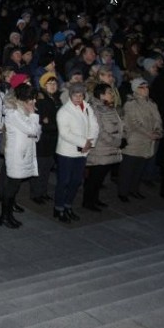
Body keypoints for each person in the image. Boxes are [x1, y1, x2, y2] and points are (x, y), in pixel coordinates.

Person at [54, 82, 99, 223]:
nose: (78, 97)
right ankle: (58, 208)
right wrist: (83, 142)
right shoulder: (63, 111)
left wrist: (90, 142)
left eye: (81, 95)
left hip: (82, 152)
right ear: (70, 95)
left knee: (76, 181)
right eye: (75, 95)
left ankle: (68, 206)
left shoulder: (87, 107)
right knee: (64, 181)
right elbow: (65, 133)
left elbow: (94, 125)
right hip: (67, 152)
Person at [0, 84, 40, 228]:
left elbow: (37, 133)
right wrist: (33, 115)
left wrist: (33, 121)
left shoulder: (24, 111)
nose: (34, 102)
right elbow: (32, 130)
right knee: (11, 186)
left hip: (25, 152)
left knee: (14, 187)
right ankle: (4, 216)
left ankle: (9, 214)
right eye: (31, 99)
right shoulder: (13, 113)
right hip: (16, 154)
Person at [83, 83, 125, 211]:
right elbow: (99, 131)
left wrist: (122, 137)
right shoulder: (95, 109)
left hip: (109, 148)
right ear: (101, 95)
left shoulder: (110, 107)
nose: (112, 95)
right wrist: (116, 142)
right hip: (100, 149)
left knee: (99, 178)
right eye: (109, 92)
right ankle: (88, 202)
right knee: (94, 178)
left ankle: (95, 199)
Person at [120, 78, 162, 200]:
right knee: (128, 169)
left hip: (148, 141)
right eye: (142, 87)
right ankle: (123, 192)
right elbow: (134, 122)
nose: (145, 89)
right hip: (134, 141)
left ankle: (134, 189)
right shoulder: (130, 104)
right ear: (135, 89)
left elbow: (158, 119)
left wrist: (157, 131)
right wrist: (148, 133)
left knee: (139, 168)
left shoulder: (152, 103)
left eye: (146, 87)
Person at [32, 74, 61, 204]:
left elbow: (50, 120)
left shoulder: (57, 99)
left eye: (55, 83)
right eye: (50, 83)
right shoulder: (41, 100)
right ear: (44, 85)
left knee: (47, 166)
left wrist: (51, 122)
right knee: (41, 167)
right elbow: (43, 122)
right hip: (43, 140)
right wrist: (54, 124)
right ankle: (36, 193)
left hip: (53, 139)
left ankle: (43, 192)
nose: (53, 86)